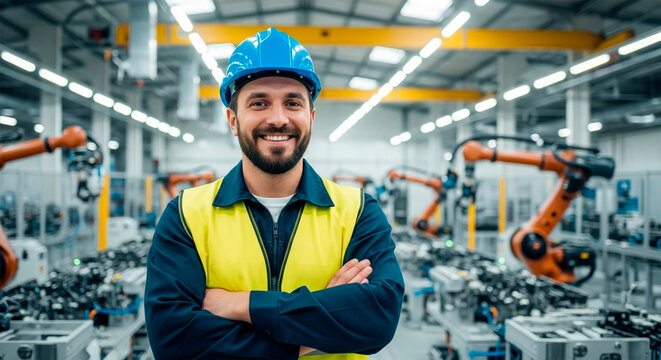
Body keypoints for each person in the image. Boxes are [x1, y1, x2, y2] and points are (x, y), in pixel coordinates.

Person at [144, 27, 404, 359]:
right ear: (233, 120)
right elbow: (175, 340)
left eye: (293, 102)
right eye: (259, 103)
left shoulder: (357, 211)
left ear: (310, 117)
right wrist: (325, 320)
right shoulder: (186, 214)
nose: (278, 119)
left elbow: (377, 319)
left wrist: (240, 303)